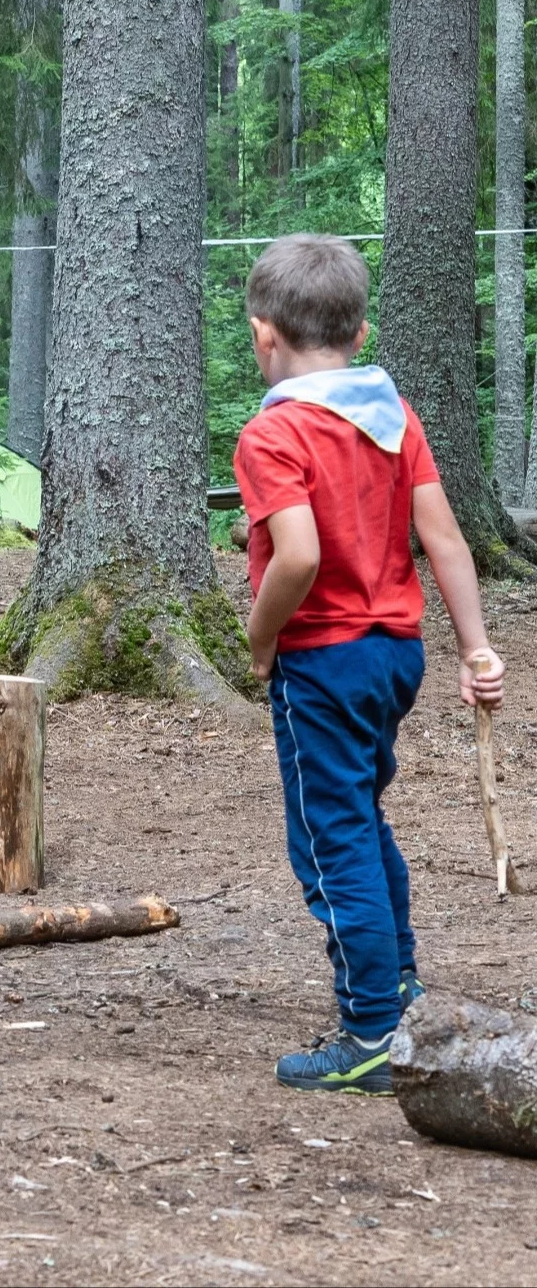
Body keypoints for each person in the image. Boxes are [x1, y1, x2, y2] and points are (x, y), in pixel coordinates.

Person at [234, 234, 505, 1097]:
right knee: (361, 816)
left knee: (331, 837)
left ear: (264, 334)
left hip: (323, 662)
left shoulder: (273, 433)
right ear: (359, 331)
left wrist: (260, 639)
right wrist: (476, 647)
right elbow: (446, 540)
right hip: (396, 657)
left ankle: (369, 1032)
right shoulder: (393, 415)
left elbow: (298, 557)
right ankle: (399, 985)